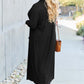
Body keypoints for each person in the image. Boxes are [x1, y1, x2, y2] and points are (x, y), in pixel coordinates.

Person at [25, 0, 59, 84]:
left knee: (38, 63)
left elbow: (33, 24)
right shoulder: (51, 7)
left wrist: (27, 22)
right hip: (50, 41)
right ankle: (46, 80)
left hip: (38, 42)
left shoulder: (37, 7)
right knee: (47, 62)